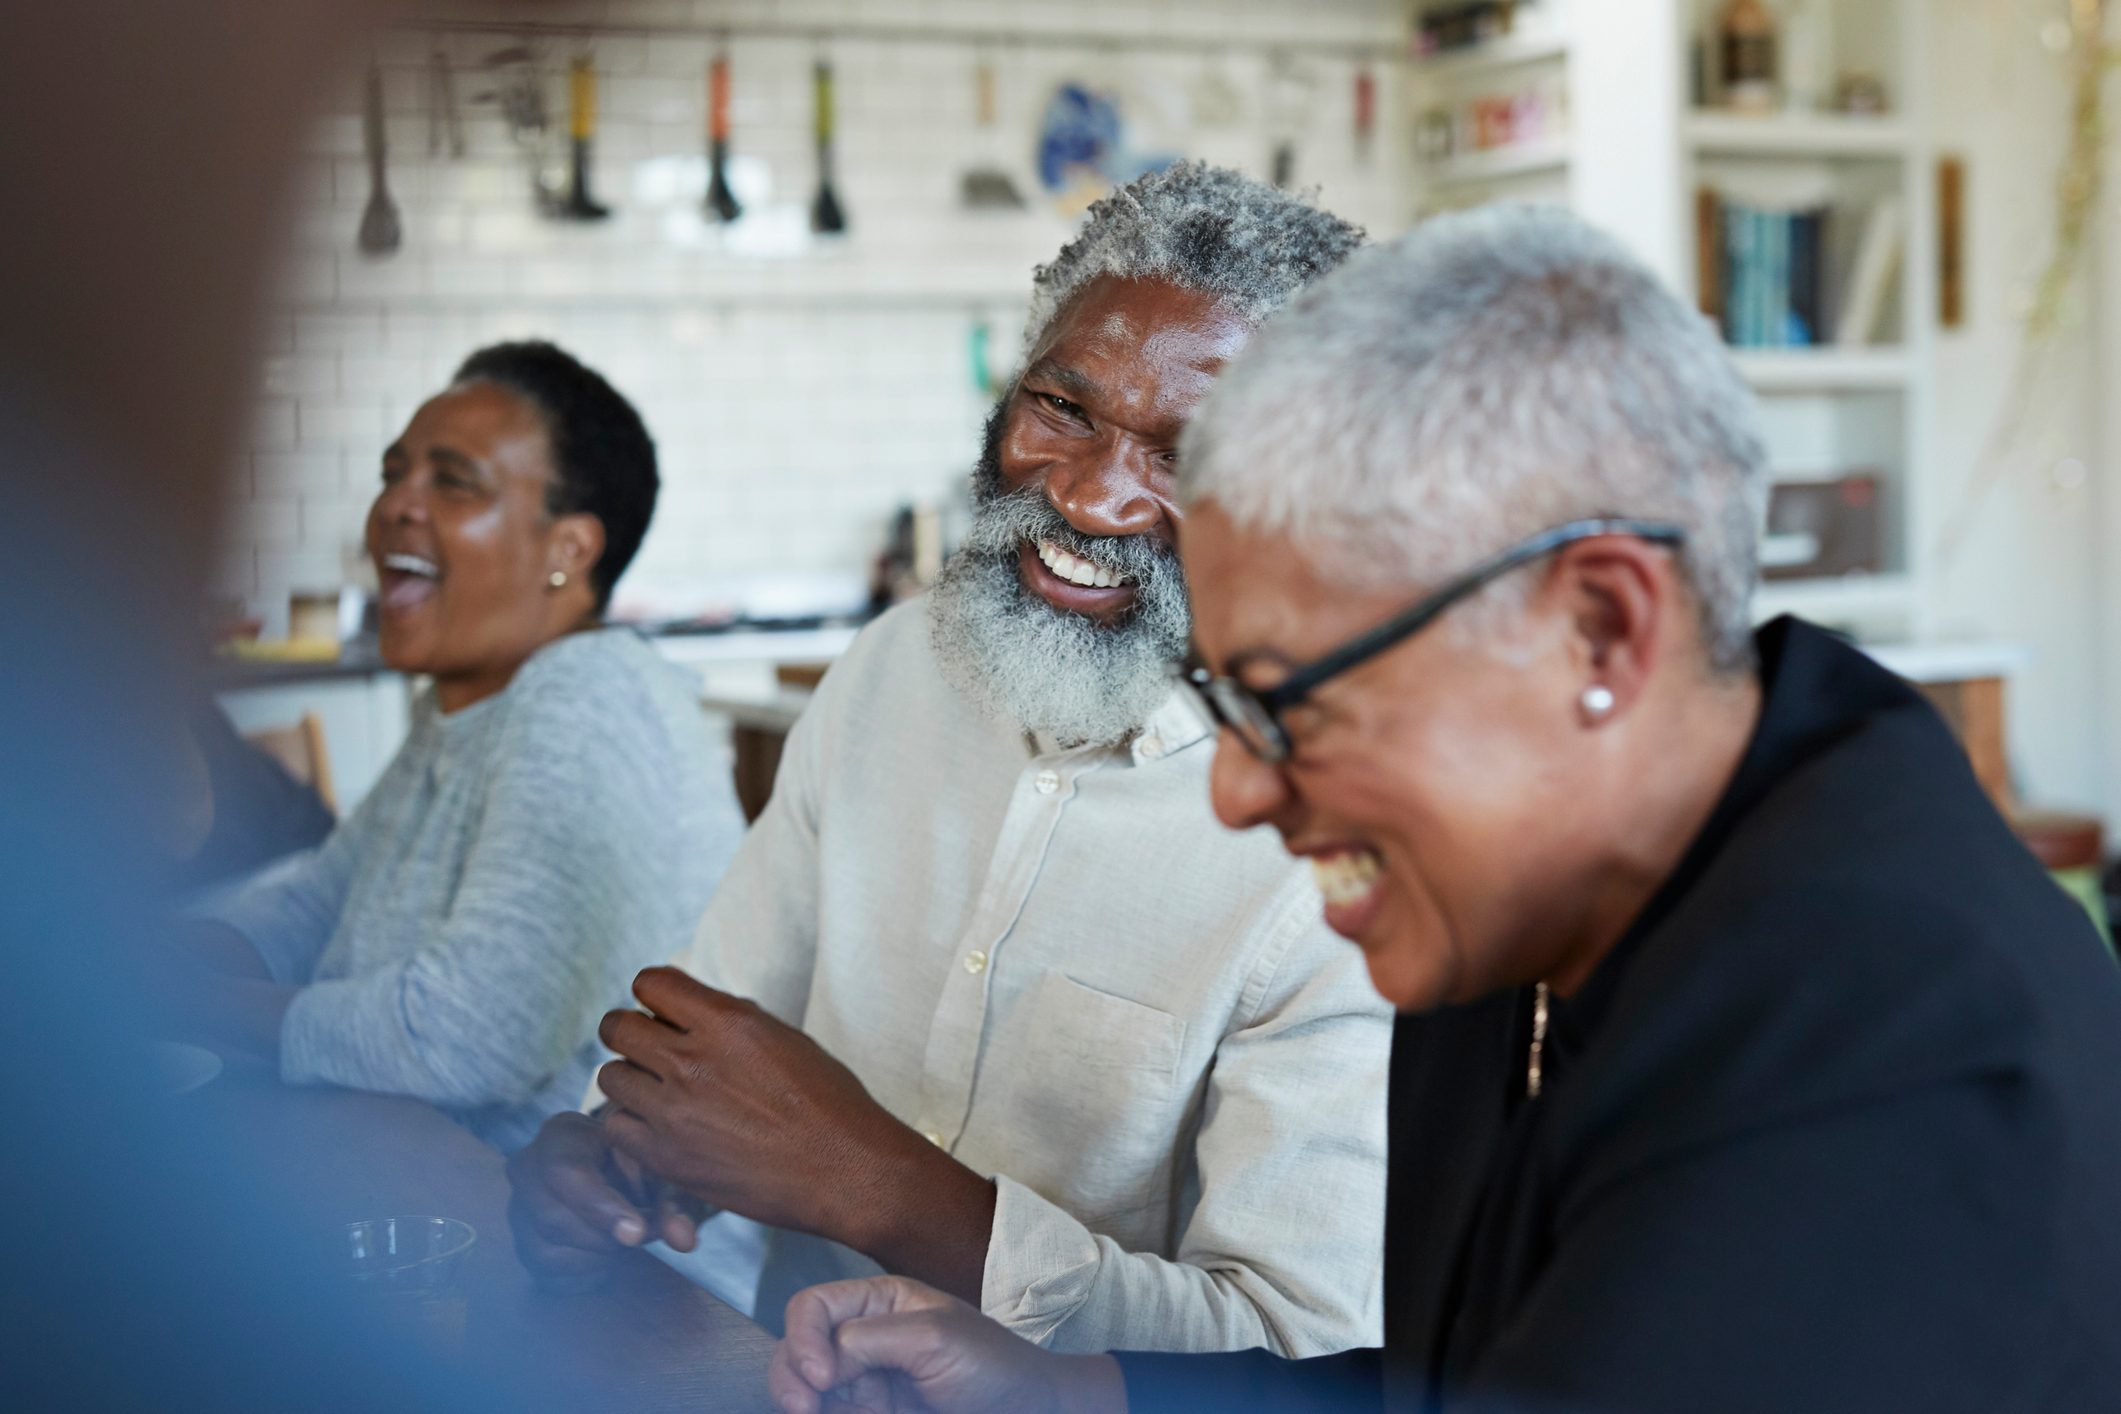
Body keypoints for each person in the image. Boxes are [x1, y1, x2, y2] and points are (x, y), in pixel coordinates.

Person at [762, 205, 2121, 1412]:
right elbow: (1455, 1375)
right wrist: (1079, 1389)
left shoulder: (1874, 1046)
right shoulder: (1532, 902)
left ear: (1598, 630)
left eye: (1298, 702)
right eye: (1228, 701)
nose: (1240, 787)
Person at [506, 163, 1393, 1359]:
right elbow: (711, 1060)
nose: (1089, 496)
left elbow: (1300, 1351)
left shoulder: (1343, 849)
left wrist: (881, 1190)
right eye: (1064, 410)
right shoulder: (891, 674)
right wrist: (612, 1166)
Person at [171, 340, 746, 1153]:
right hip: (441, 1176)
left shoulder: (588, 699)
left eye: (452, 482)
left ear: (568, 551)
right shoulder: (466, 710)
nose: (395, 507)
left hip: (607, 1250)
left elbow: (469, 1033)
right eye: (393, 474)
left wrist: (177, 999)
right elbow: (314, 907)